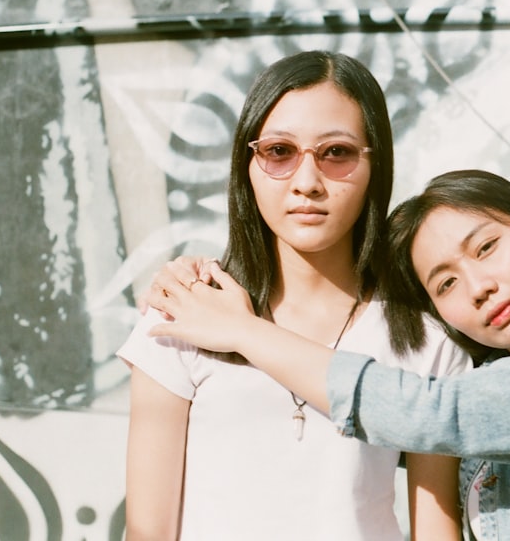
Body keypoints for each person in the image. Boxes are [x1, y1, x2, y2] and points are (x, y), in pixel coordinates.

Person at [146, 168, 510, 540]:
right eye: (445, 285)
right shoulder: (481, 383)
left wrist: (244, 332)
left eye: (486, 247)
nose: (478, 286)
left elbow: (435, 413)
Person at [118, 51, 471, 541]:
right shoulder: (183, 313)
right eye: (279, 152)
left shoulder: (425, 340)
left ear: (375, 165)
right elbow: (147, 532)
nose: (307, 183)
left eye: (336, 153)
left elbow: (435, 534)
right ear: (248, 165)